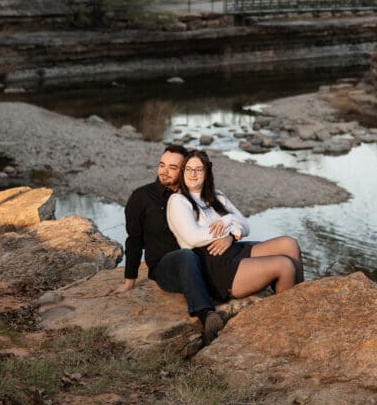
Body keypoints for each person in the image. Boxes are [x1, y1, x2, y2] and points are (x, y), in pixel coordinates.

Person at [110, 144, 226, 345]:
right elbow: (134, 240)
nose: (164, 171)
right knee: (185, 256)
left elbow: (223, 220)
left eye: (172, 167)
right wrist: (130, 280)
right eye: (161, 165)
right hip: (166, 268)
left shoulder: (196, 194)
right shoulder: (142, 197)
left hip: (202, 261)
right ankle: (207, 316)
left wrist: (230, 236)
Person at [166, 149, 304, 302]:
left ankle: (302, 302)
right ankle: (290, 314)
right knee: (284, 266)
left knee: (289, 244)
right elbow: (192, 238)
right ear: (183, 171)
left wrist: (231, 234)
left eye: (198, 169)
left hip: (233, 249)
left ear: (207, 173)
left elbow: (245, 225)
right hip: (213, 263)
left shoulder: (217, 196)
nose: (193, 174)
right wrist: (228, 224)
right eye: (189, 169)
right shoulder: (178, 201)